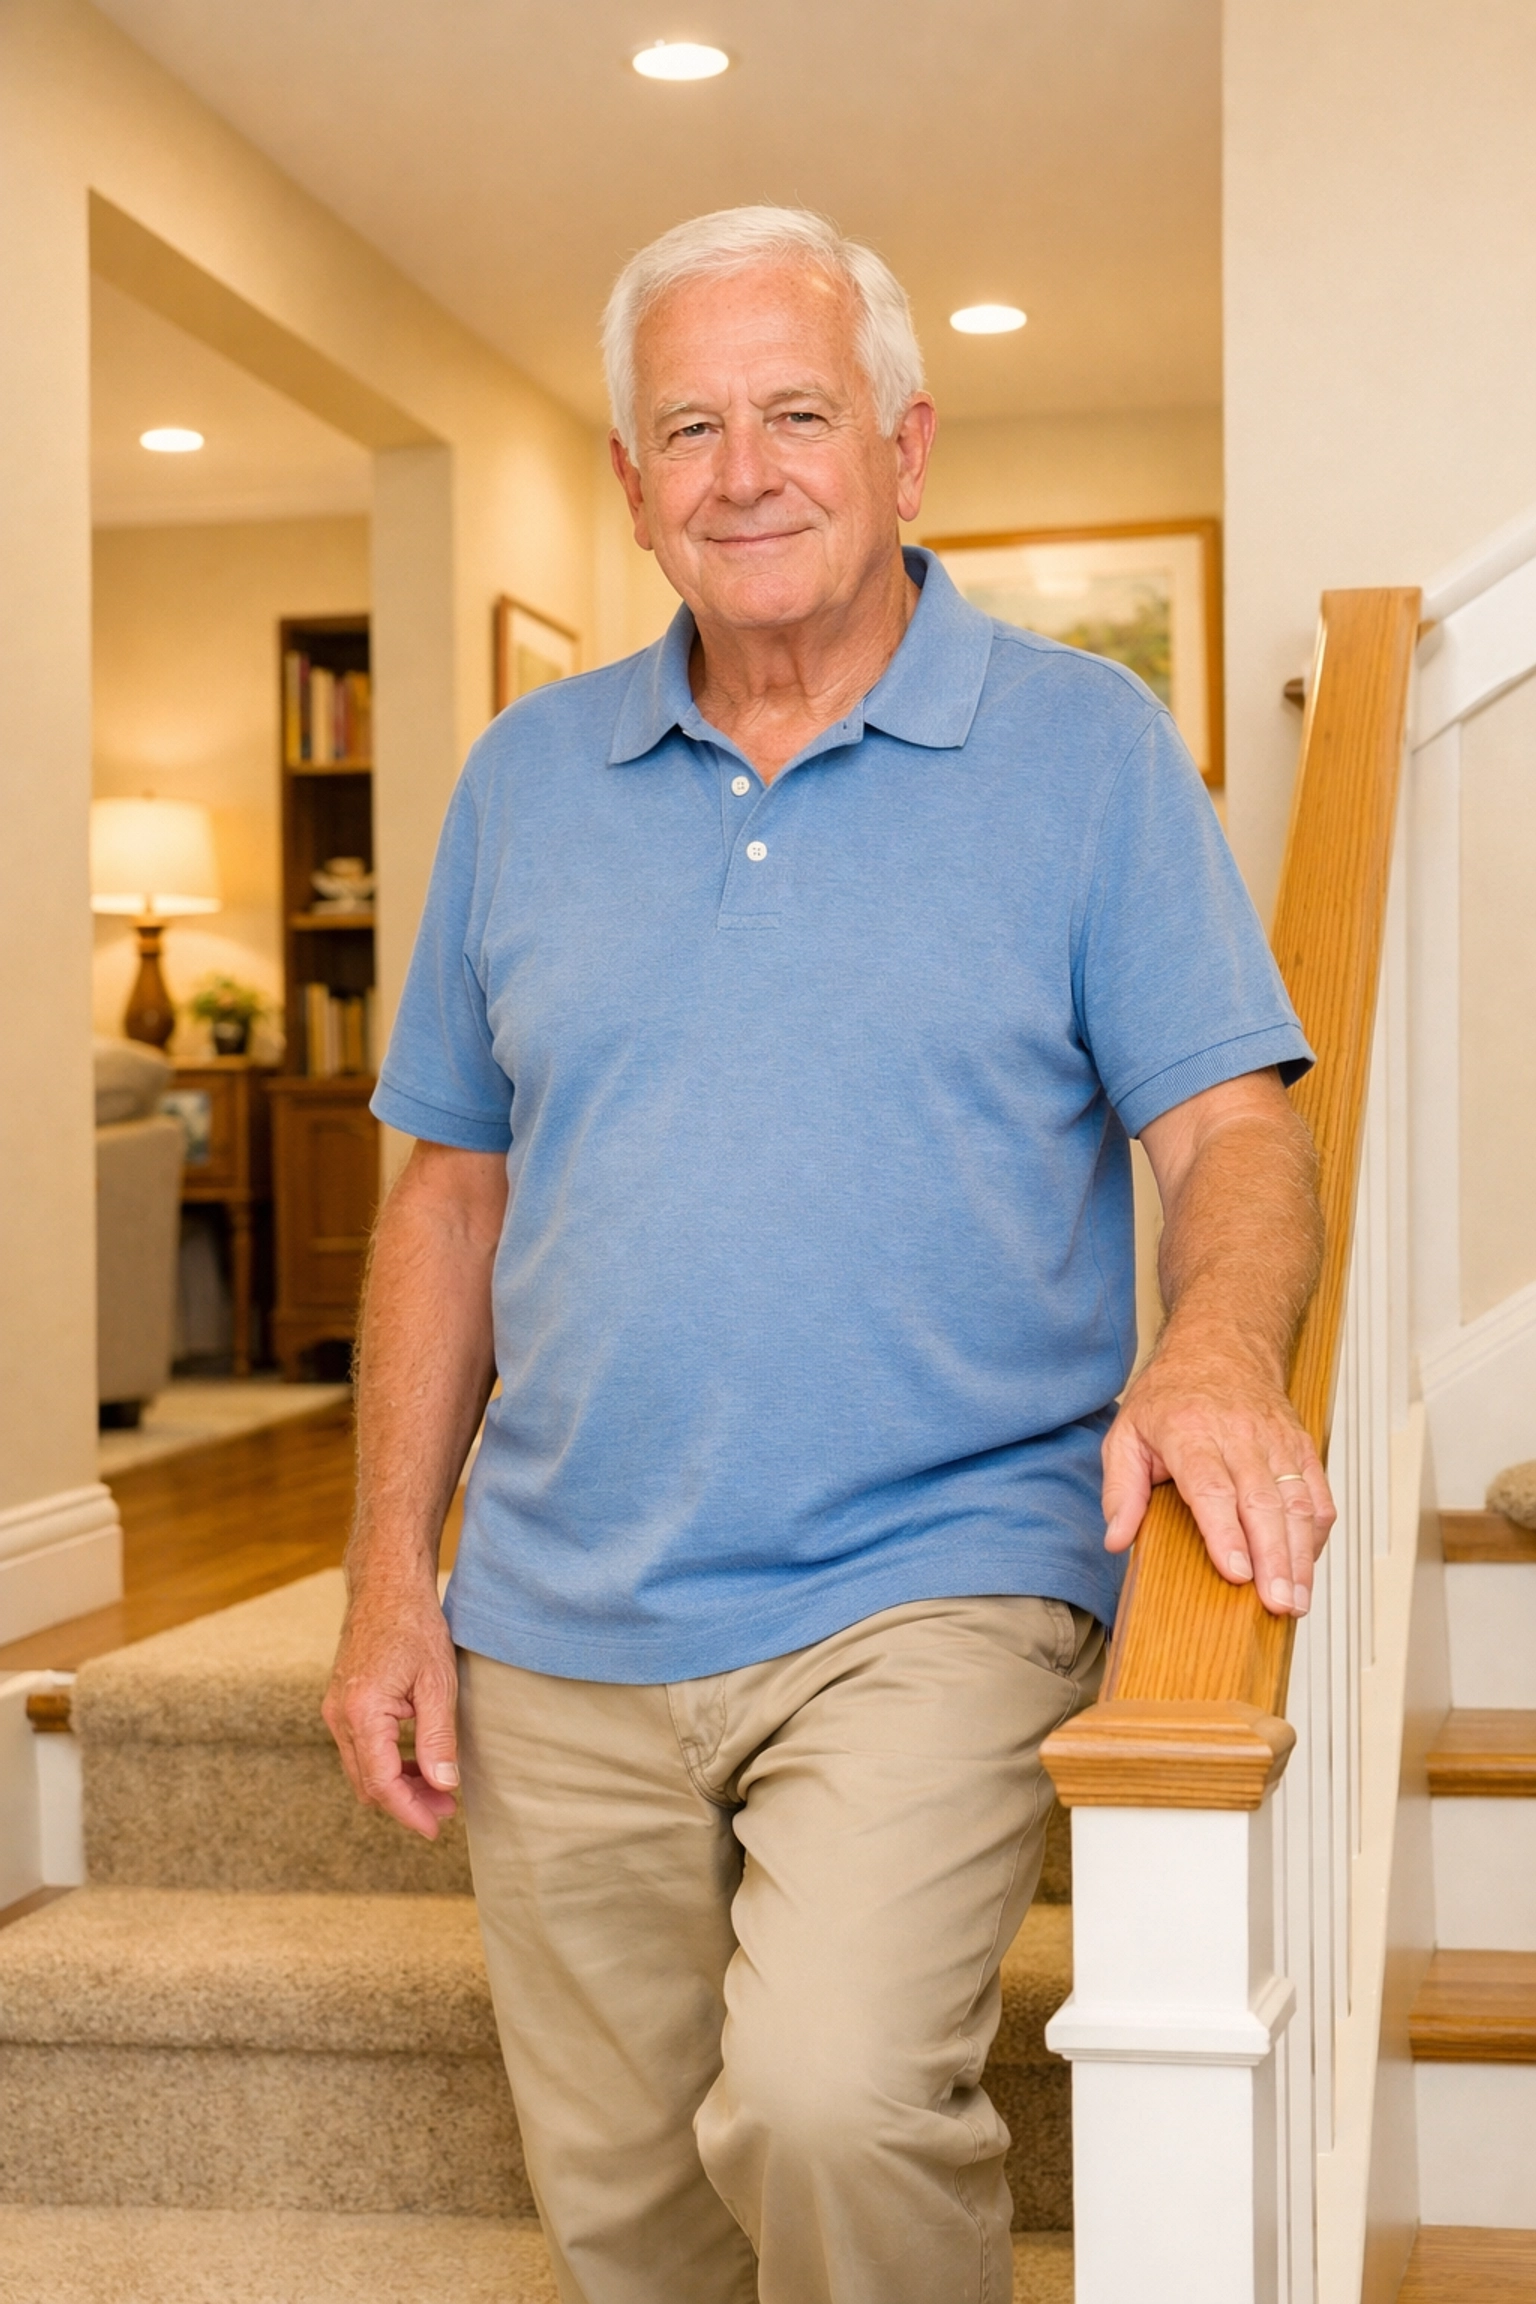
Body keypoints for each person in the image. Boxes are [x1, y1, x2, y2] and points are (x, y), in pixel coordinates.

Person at [323, 206, 1333, 2304]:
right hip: (556, 1607)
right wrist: (384, 1575)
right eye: (687, 427)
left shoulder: (1084, 753)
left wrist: (1214, 1349)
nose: (744, 470)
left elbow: (1232, 1127)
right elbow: (448, 1197)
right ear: (631, 485)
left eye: (797, 412)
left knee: (828, 2097)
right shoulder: (522, 784)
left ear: (905, 447)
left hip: (931, 1578)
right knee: (631, 2216)